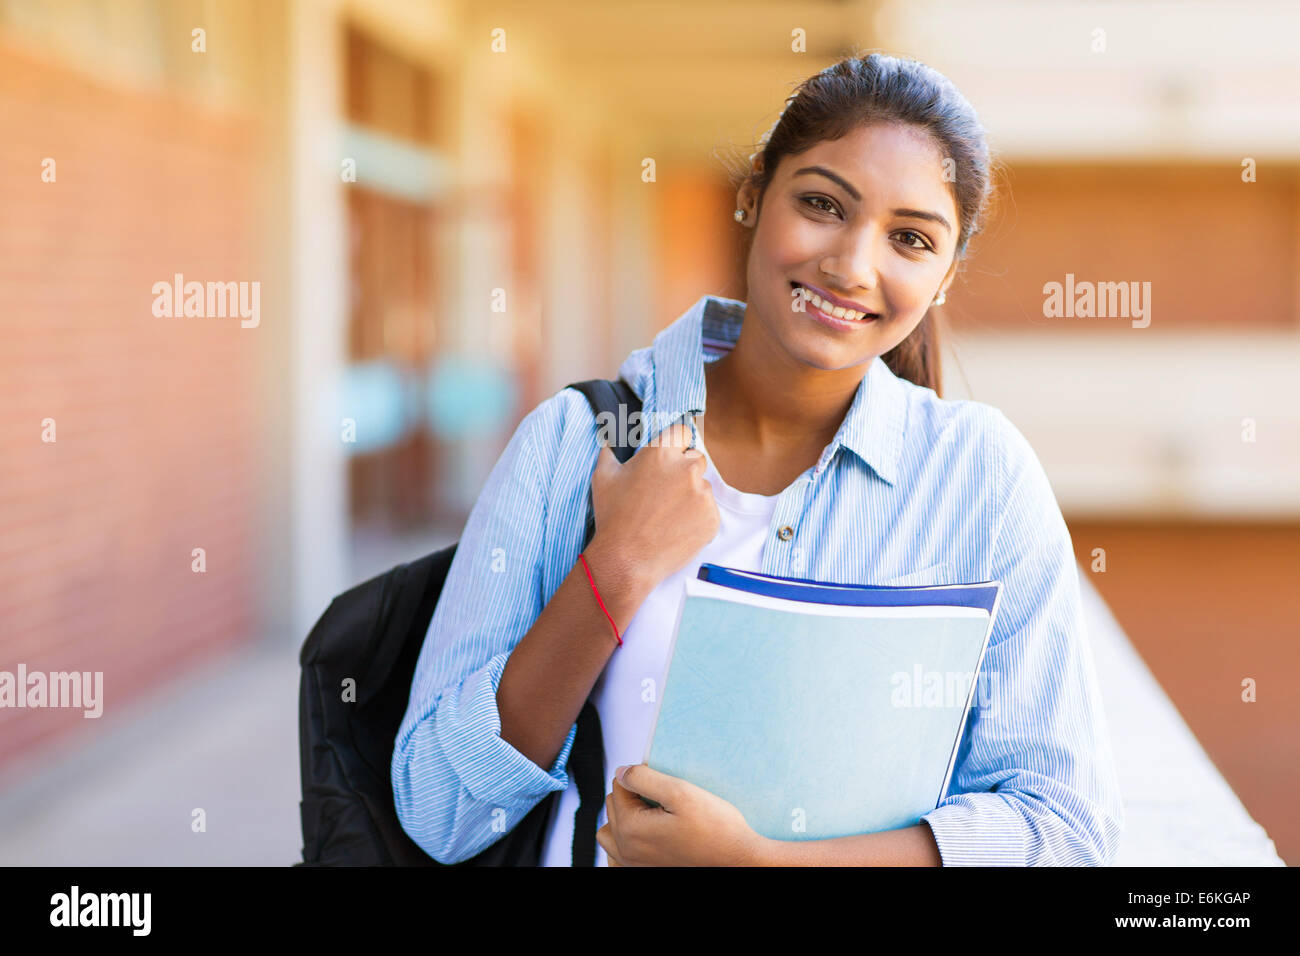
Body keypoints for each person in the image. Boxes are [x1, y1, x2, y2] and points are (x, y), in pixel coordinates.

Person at [391, 50, 1124, 866]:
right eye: (821, 203)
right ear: (752, 197)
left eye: (911, 239)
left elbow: (1064, 833)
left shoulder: (979, 478)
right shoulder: (574, 443)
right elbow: (438, 808)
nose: (850, 266)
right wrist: (617, 569)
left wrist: (764, 864)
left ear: (946, 277)